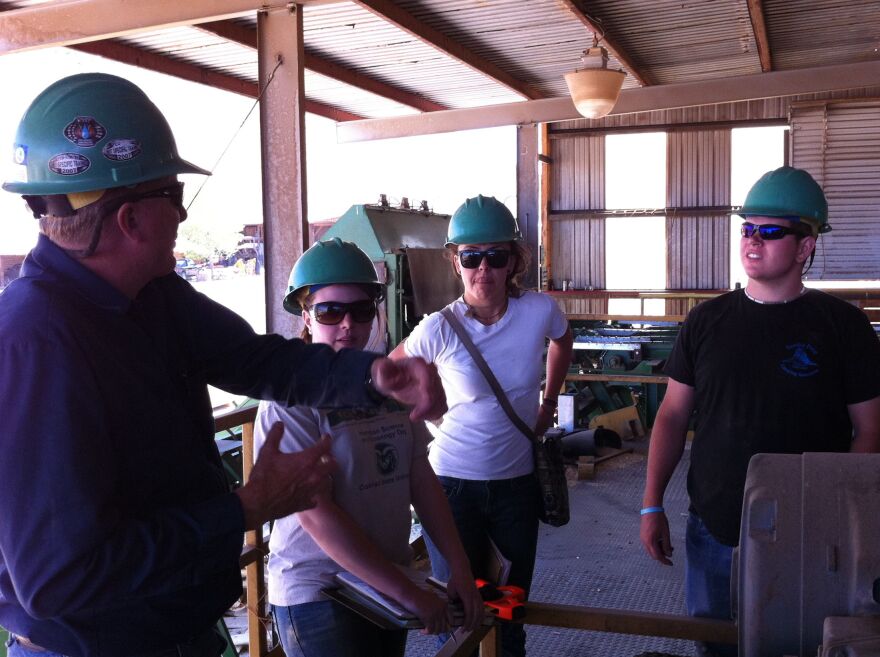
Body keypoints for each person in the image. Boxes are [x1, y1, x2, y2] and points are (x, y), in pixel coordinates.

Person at [0, 73, 446, 657]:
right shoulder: (34, 345)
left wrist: (370, 376)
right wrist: (243, 508)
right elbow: (60, 579)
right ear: (132, 220)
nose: (183, 216)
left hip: (182, 628)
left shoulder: (152, 295)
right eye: (172, 195)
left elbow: (252, 358)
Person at [639, 166, 880, 657]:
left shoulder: (844, 328)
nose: (752, 240)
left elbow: (869, 430)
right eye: (747, 228)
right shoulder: (706, 321)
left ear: (805, 246)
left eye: (769, 232)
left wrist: (839, 521)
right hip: (714, 528)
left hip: (810, 537)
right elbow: (671, 416)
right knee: (715, 646)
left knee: (798, 644)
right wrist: (650, 504)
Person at [254, 238, 483, 657]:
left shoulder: (386, 381)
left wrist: (459, 568)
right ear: (305, 316)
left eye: (360, 311)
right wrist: (410, 594)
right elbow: (317, 517)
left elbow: (420, 477)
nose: (347, 324)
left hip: (384, 584)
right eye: (329, 311)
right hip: (320, 593)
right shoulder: (290, 398)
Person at [390, 195, 574, 657]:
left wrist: (549, 400)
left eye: (495, 257)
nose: (483, 270)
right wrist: (425, 400)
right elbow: (388, 374)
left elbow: (562, 340)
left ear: (513, 260)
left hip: (516, 486)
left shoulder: (538, 311)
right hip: (451, 489)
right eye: (472, 257)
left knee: (510, 611)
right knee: (459, 610)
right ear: (456, 261)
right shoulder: (438, 328)